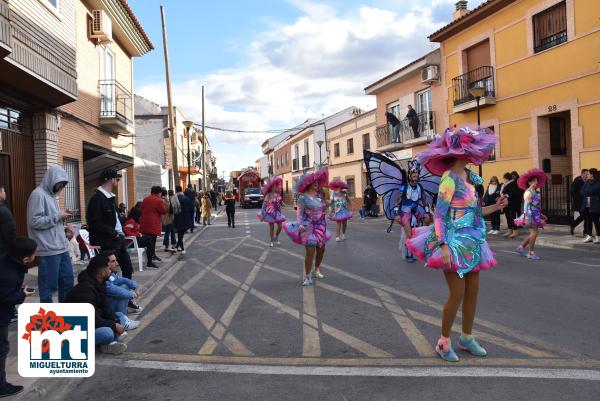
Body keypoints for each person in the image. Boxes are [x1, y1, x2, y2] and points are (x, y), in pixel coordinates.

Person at [406, 126, 507, 363]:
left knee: (473, 291)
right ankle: (443, 341)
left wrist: (496, 207)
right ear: (459, 151)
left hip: (472, 240)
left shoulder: (469, 177)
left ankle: (466, 337)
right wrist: (442, 246)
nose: (475, 150)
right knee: (457, 293)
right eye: (470, 147)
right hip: (452, 241)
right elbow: (439, 214)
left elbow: (473, 211)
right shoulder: (449, 178)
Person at [65, 254, 132, 355]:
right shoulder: (85, 289)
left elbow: (105, 308)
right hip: (73, 331)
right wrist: (113, 325)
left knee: (120, 316)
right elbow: (91, 319)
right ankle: (106, 342)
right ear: (101, 271)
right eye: (108, 268)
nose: (111, 271)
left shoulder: (99, 283)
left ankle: (107, 343)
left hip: (91, 323)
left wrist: (115, 322)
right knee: (107, 332)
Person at [26, 165, 74, 303]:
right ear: (51, 179)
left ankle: (65, 317)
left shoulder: (51, 196)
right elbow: (34, 221)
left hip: (61, 247)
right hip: (48, 250)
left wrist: (64, 227)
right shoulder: (38, 195)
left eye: (63, 185)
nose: (61, 187)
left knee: (67, 283)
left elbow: (51, 220)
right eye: (60, 183)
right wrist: (58, 216)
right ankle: (48, 321)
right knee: (48, 288)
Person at [0, 237, 36, 397]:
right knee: (2, 348)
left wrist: (16, 288)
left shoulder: (8, 262)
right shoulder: (9, 274)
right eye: (35, 253)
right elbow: (5, 298)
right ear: (26, 258)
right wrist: (21, 294)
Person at [283, 170, 331, 286]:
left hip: (321, 225)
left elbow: (323, 210)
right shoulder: (303, 198)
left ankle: (317, 270)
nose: (316, 184)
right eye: (313, 182)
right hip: (308, 226)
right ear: (308, 184)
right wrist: (300, 225)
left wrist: (327, 206)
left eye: (316, 182)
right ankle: (307, 276)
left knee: (321, 248)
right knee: (310, 250)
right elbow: (299, 213)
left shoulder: (320, 196)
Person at [87, 169, 134, 279]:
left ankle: (126, 293)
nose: (117, 181)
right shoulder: (97, 199)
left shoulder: (110, 198)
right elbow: (94, 223)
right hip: (109, 241)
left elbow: (115, 219)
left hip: (118, 238)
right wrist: (114, 234)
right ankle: (108, 293)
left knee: (127, 267)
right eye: (116, 179)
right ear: (111, 180)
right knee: (109, 271)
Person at [395, 167, 431, 262]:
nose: (415, 178)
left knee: (417, 233)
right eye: (413, 176)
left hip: (415, 213)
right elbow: (397, 201)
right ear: (410, 176)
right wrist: (397, 214)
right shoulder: (404, 187)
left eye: (417, 176)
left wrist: (427, 212)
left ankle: (414, 252)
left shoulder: (420, 187)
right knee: (409, 234)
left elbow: (424, 201)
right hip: (404, 213)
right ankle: (408, 255)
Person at [515, 169, 548, 260]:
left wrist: (541, 215)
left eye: (536, 180)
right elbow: (526, 207)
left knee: (533, 233)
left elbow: (535, 205)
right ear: (529, 182)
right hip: (530, 216)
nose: (536, 182)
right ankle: (530, 253)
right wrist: (527, 218)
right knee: (534, 233)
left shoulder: (534, 192)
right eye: (534, 181)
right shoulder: (528, 192)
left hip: (535, 215)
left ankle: (521, 247)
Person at [103, 250, 143, 319]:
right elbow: (113, 290)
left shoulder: (109, 274)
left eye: (116, 260)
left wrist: (135, 286)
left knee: (125, 285)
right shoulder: (101, 277)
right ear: (105, 263)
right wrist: (131, 294)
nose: (117, 263)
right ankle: (121, 319)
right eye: (113, 261)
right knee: (123, 290)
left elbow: (121, 280)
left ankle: (123, 317)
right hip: (100, 313)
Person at [140, 186, 168, 265]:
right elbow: (163, 211)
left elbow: (141, 208)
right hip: (153, 224)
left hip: (144, 223)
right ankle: (151, 259)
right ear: (159, 193)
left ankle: (152, 255)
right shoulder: (158, 200)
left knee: (149, 241)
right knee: (152, 241)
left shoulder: (145, 199)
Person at [257, 177, 286, 247]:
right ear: (271, 187)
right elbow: (264, 206)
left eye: (277, 185)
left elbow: (280, 202)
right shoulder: (268, 195)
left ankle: (276, 237)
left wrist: (283, 204)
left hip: (277, 212)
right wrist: (262, 215)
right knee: (271, 227)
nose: (276, 187)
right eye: (274, 186)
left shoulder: (278, 194)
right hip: (270, 213)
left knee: (280, 226)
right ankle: (271, 240)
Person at [581, 168, 600, 244]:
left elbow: (593, 190)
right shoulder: (587, 182)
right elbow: (581, 191)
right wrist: (587, 192)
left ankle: (598, 237)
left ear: (592, 174)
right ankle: (589, 236)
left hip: (595, 205)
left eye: (588, 174)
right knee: (588, 221)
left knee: (596, 222)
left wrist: (587, 192)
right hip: (587, 205)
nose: (587, 175)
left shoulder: (598, 182)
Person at [501, 172, 521, 238]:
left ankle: (515, 231)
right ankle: (510, 230)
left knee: (513, 217)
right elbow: (505, 192)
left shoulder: (514, 184)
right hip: (506, 202)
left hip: (512, 203)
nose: (504, 180)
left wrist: (506, 195)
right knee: (508, 217)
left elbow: (513, 193)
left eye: (505, 179)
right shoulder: (507, 184)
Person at [174, 186, 193, 254]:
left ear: (176, 190)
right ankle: (180, 247)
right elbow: (191, 208)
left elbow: (171, 209)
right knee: (181, 234)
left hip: (177, 218)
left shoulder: (174, 199)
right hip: (185, 219)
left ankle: (179, 247)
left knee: (180, 234)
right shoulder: (186, 199)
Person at [570, 169, 589, 235]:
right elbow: (572, 192)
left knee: (585, 216)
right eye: (586, 174)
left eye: (587, 174)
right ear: (582, 174)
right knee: (585, 216)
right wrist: (579, 197)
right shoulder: (577, 180)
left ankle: (584, 231)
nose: (587, 175)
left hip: (585, 202)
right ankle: (584, 231)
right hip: (579, 203)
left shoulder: (586, 181)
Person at [0, 186, 16, 258]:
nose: (5, 193)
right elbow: (10, 232)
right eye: (4, 191)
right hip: (3, 251)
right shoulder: (4, 211)